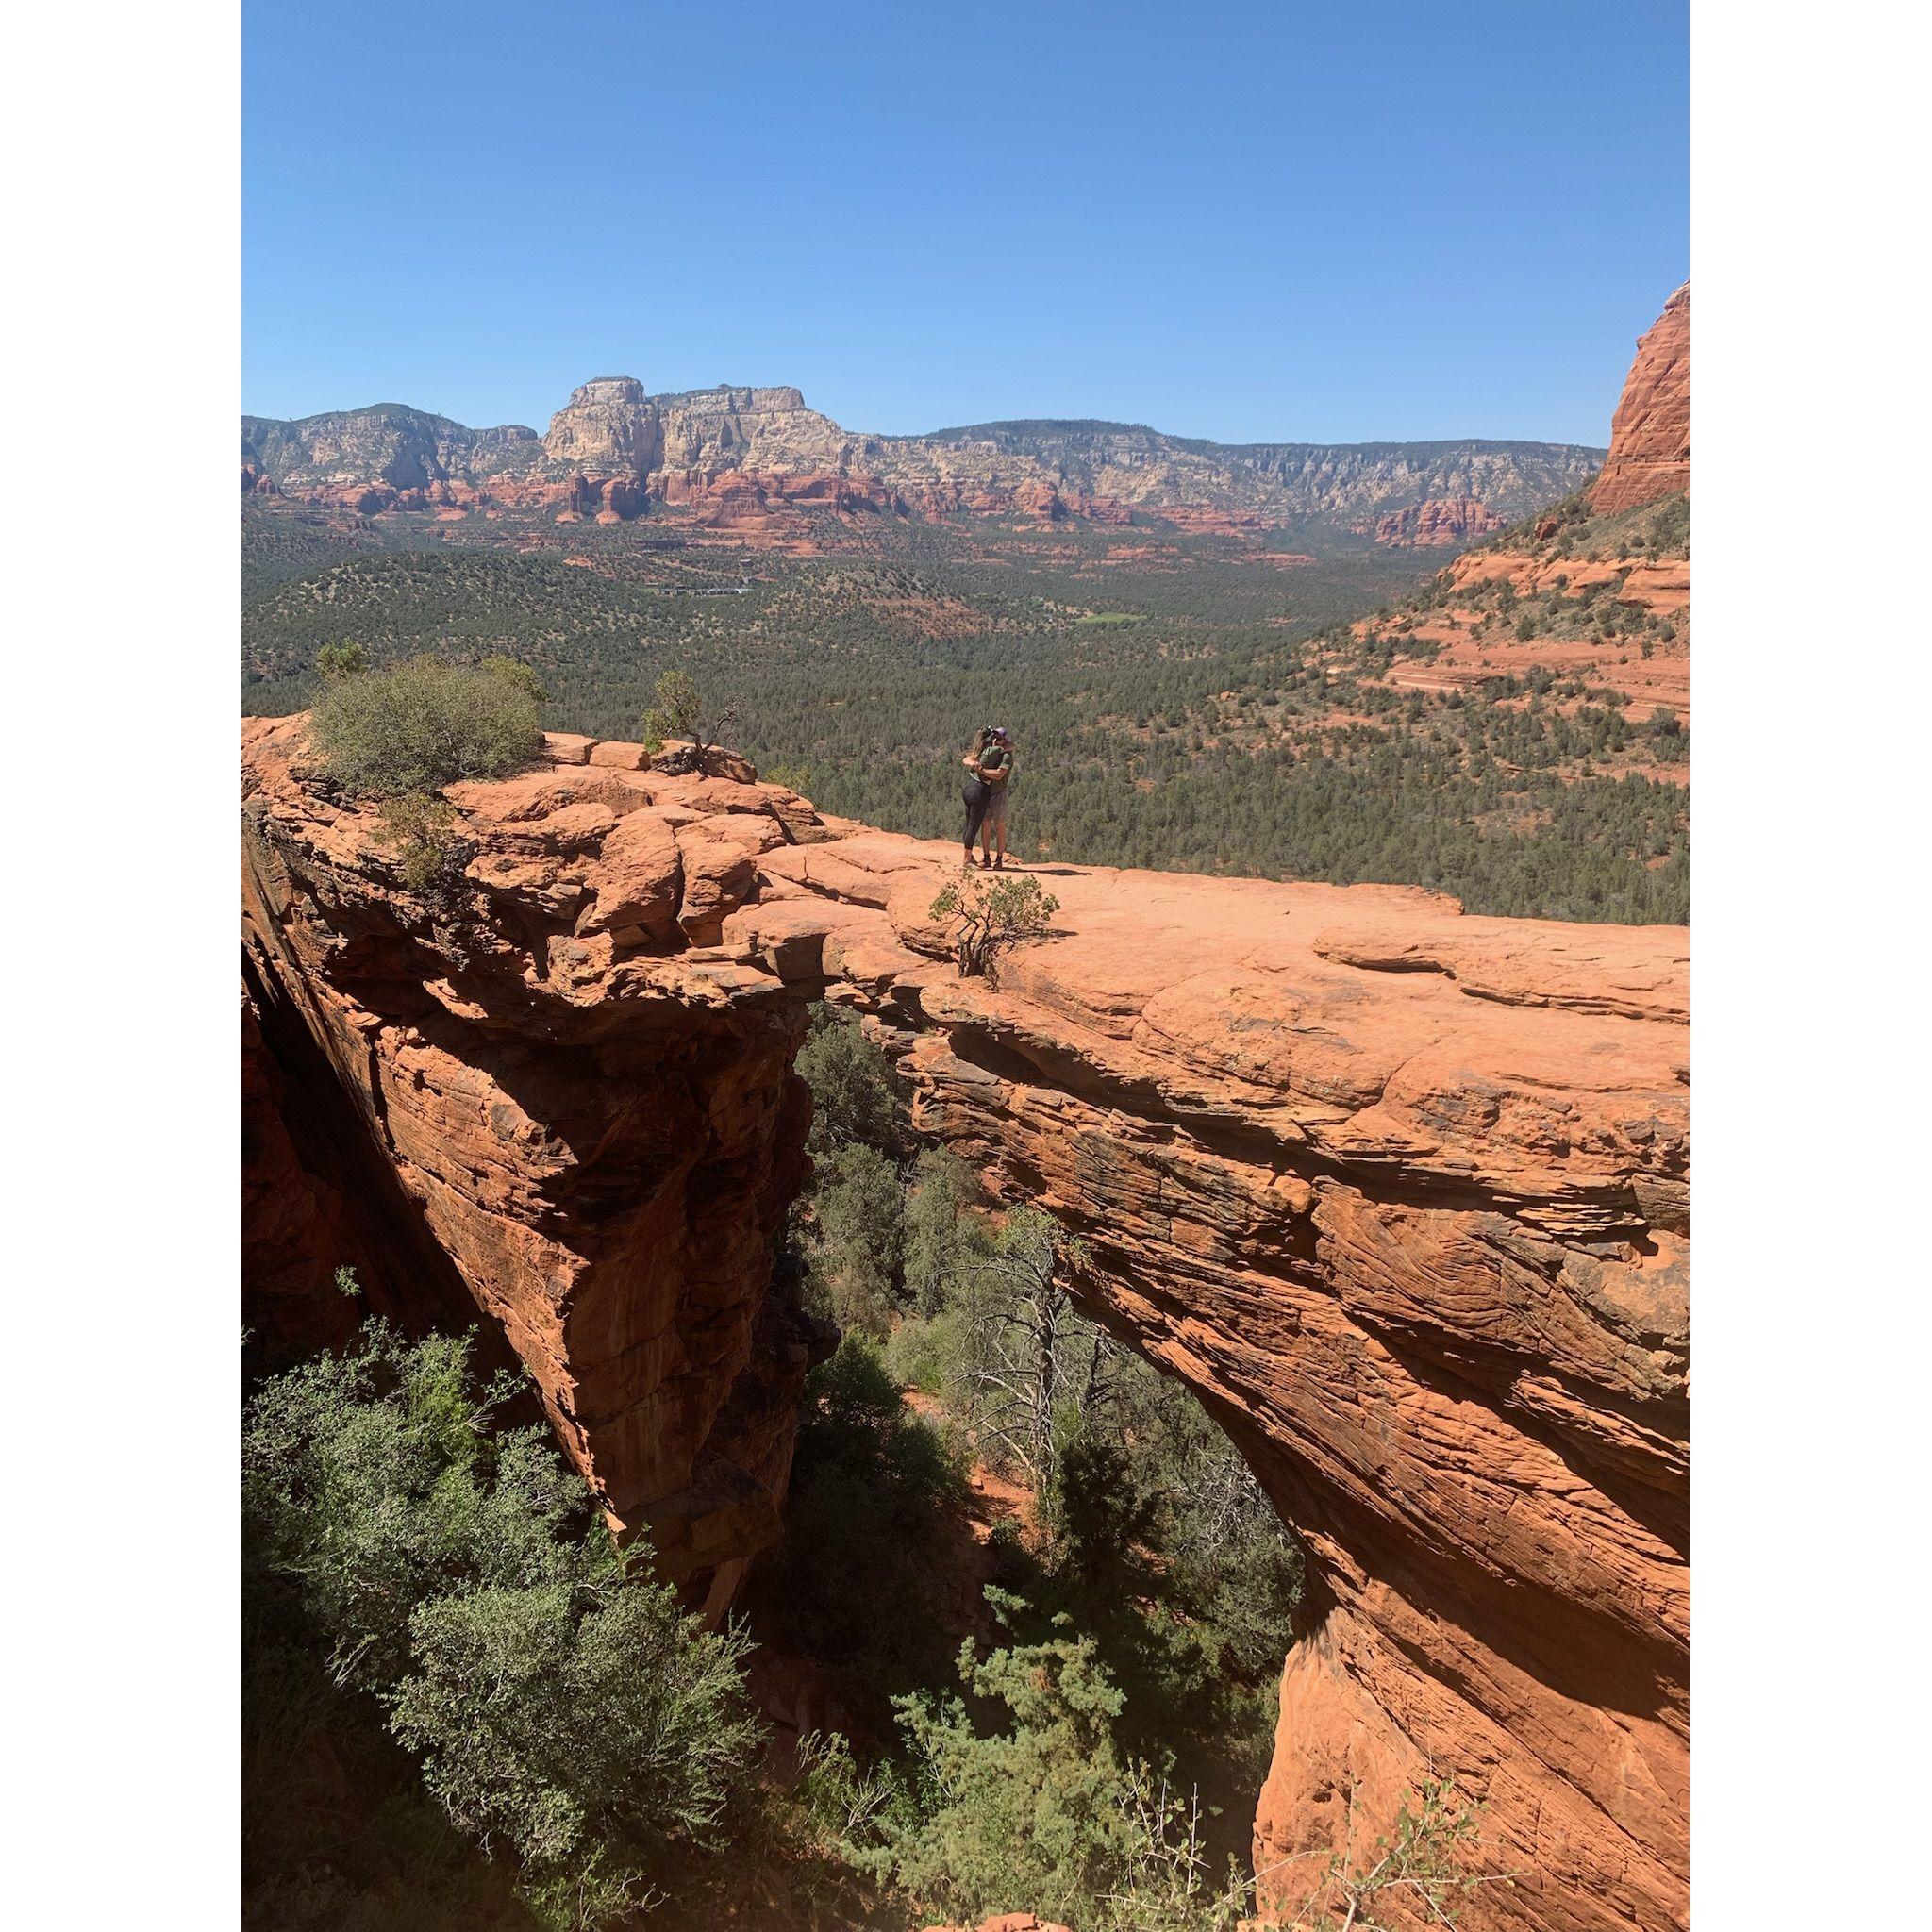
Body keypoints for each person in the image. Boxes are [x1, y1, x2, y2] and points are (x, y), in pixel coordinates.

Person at [960, 725, 1015, 869]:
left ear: (1005, 739)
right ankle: (979, 859)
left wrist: (980, 769)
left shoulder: (1004, 754)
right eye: (995, 737)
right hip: (981, 792)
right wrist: (973, 763)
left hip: (995, 793)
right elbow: (967, 758)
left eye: (1000, 738)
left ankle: (998, 859)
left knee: (997, 825)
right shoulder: (987, 750)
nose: (997, 740)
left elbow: (999, 774)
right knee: (978, 825)